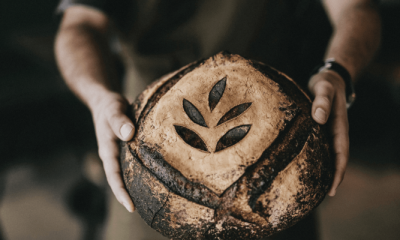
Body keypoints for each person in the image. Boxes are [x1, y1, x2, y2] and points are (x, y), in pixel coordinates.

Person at [54, 0, 381, 239]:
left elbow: (357, 9)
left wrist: (337, 72)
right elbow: (78, 25)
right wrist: (99, 97)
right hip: (148, 138)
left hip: (277, 127)